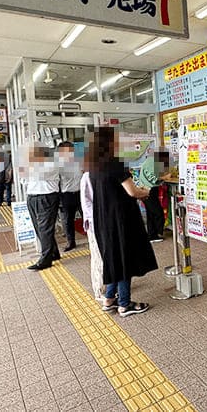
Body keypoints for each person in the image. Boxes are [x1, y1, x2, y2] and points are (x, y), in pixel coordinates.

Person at [87, 127, 158, 316]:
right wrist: (146, 192)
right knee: (124, 257)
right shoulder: (114, 163)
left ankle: (109, 298)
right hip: (120, 218)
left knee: (113, 257)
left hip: (103, 217)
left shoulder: (93, 165)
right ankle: (124, 304)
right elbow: (132, 192)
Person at [25, 144, 61, 271]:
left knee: (44, 228)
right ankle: (53, 252)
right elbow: (23, 179)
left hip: (47, 197)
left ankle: (45, 259)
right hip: (32, 197)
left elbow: (40, 174)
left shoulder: (51, 164)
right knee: (39, 228)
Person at [80, 171, 105, 302]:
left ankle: (110, 286)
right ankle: (99, 291)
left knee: (106, 257)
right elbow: (87, 205)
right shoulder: (88, 177)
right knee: (98, 258)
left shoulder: (104, 173)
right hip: (95, 224)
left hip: (105, 223)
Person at [138, 150, 171, 243]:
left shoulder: (150, 161)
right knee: (158, 212)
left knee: (151, 214)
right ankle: (157, 232)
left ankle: (152, 235)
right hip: (149, 189)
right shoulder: (152, 162)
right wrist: (164, 178)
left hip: (145, 189)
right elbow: (153, 177)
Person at [57, 141, 83, 252]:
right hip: (66, 195)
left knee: (87, 216)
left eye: (71, 150)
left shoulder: (79, 162)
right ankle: (70, 242)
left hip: (80, 193)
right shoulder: (58, 165)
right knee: (67, 220)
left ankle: (94, 237)